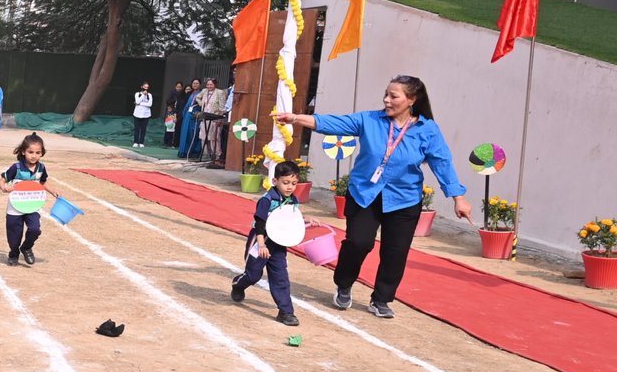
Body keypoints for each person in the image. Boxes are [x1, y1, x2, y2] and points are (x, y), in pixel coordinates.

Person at [275, 75, 471, 319]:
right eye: (386, 94)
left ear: (411, 99)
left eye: (393, 96)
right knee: (359, 243)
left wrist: (458, 197)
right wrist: (295, 118)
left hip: (404, 199)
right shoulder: (369, 120)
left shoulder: (427, 130)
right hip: (365, 193)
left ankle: (381, 299)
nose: (386, 100)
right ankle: (344, 284)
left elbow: (442, 163)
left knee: (395, 252)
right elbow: (332, 123)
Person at [230, 159, 302, 326]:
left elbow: (291, 219)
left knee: (280, 277)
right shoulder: (267, 199)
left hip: (278, 244)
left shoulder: (293, 201)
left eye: (294, 183)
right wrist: (261, 245)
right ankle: (238, 285)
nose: (290, 187)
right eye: (285, 183)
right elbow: (260, 224)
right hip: (261, 240)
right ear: (275, 181)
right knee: (253, 275)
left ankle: (286, 312)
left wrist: (306, 220)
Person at [0, 133, 59, 266]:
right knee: (14, 234)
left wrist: (53, 192)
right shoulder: (16, 168)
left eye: (38, 152)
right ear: (23, 152)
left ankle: (26, 247)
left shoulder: (41, 168)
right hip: (15, 207)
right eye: (30, 152)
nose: (34, 156)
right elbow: (2, 180)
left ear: (42, 153)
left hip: (32, 206)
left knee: (35, 229)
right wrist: (4, 187)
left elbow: (42, 182)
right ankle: (13, 254)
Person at [199, 80, 227, 164]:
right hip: (205, 117)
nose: (209, 86)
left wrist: (220, 118)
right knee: (203, 136)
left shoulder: (220, 92)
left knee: (214, 137)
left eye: (211, 84)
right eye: (208, 84)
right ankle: (206, 154)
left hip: (215, 117)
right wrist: (201, 104)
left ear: (215, 85)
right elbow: (197, 97)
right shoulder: (204, 91)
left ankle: (216, 155)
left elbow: (222, 107)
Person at [179, 82, 203, 159]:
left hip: (195, 115)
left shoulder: (202, 93)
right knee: (185, 133)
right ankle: (184, 151)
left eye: (197, 83)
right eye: (193, 83)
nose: (195, 85)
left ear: (200, 84)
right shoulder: (190, 93)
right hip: (187, 115)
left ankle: (193, 151)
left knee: (193, 133)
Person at [131, 82, 154, 147]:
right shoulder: (137, 94)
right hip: (137, 114)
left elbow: (150, 104)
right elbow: (137, 101)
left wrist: (139, 104)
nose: (146, 88)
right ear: (142, 87)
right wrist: (143, 95)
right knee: (137, 129)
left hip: (146, 115)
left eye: (147, 87)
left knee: (143, 129)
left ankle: (141, 142)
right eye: (145, 87)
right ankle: (136, 142)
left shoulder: (149, 95)